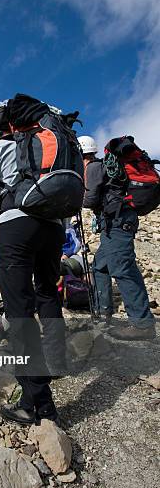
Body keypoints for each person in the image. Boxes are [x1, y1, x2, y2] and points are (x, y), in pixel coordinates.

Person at [0, 100, 66, 426]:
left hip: (16, 224)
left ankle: (37, 402)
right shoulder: (47, 142)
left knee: (19, 310)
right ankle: (56, 359)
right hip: (54, 226)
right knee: (47, 292)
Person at [83, 136, 156, 340]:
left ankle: (142, 324)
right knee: (100, 266)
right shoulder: (102, 166)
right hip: (115, 222)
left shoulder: (92, 167)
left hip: (117, 222)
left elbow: (89, 200)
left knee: (122, 268)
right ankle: (103, 313)